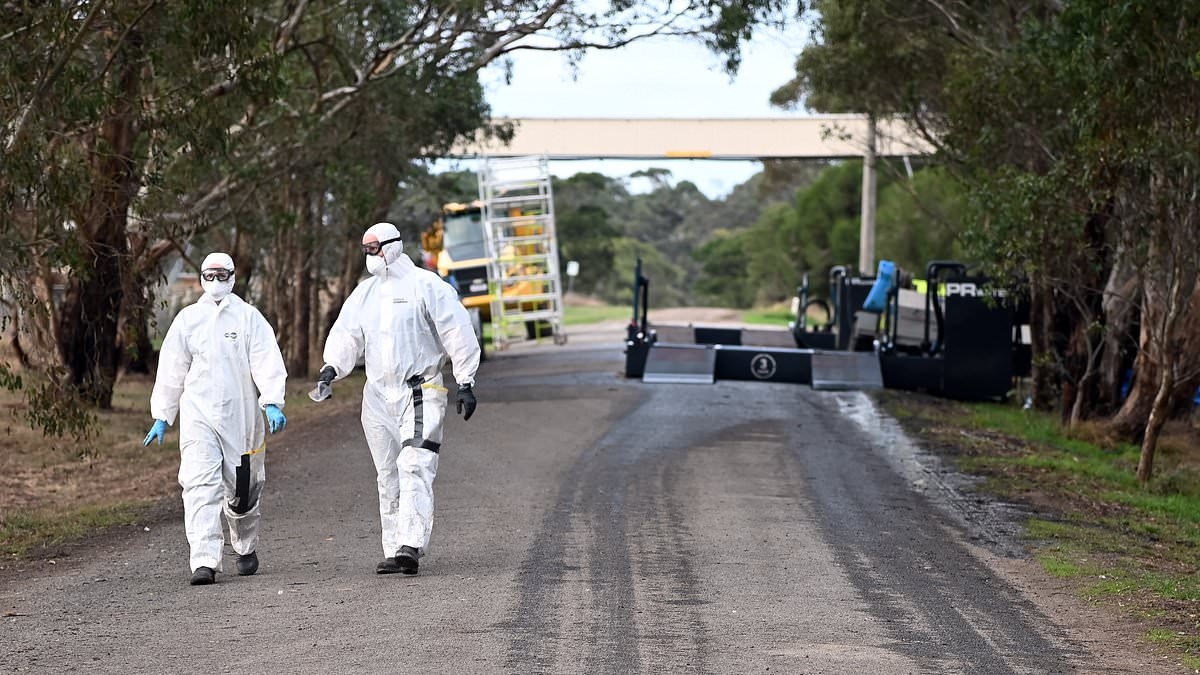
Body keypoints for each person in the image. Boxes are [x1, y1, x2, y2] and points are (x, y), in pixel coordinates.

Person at [317, 222, 479, 575]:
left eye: (373, 248)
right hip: (376, 396)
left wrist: (465, 380)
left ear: (392, 247)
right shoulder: (365, 294)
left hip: (420, 391)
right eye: (365, 249)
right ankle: (394, 549)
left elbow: (457, 330)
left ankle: (411, 543)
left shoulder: (426, 286)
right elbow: (347, 334)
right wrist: (332, 368)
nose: (369, 256)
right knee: (387, 473)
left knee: (414, 464)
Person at [144, 252, 289, 586]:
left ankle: (245, 544)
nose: (215, 280)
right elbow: (172, 368)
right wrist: (163, 415)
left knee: (243, 491)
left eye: (222, 273)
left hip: (241, 417)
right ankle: (204, 560)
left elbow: (266, 360)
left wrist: (271, 402)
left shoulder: (249, 318)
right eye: (209, 274)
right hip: (199, 415)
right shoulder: (188, 320)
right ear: (201, 277)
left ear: (233, 276)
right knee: (198, 484)